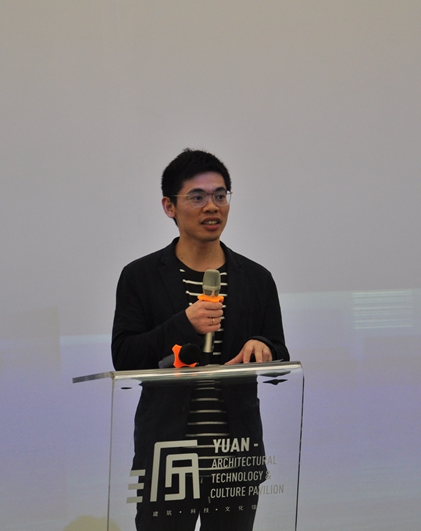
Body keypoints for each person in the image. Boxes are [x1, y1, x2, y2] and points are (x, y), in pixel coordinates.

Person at [111, 148, 289, 531]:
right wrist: (183, 323)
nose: (212, 206)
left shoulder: (256, 279)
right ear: (169, 206)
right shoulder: (140, 277)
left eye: (220, 195)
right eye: (197, 197)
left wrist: (263, 347)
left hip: (234, 457)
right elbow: (125, 357)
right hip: (168, 459)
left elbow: (278, 352)